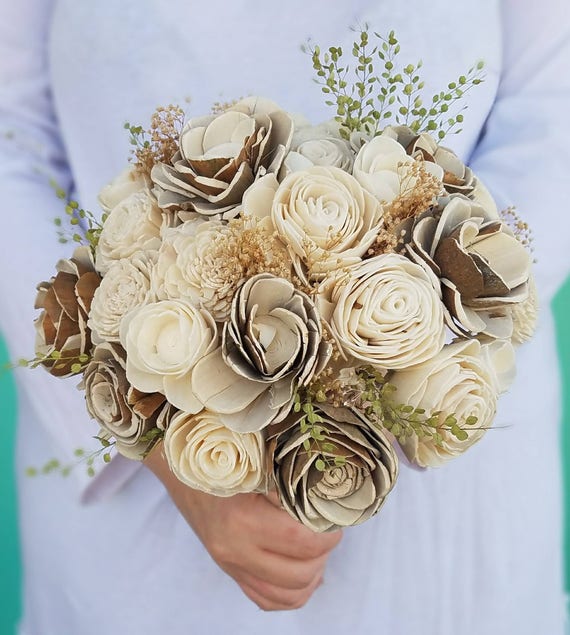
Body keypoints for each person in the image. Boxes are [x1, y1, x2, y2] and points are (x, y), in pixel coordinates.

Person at [1, 0, 568, 633]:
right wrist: (160, 438)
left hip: (440, 464)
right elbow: (9, 145)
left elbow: (554, 119)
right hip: (142, 481)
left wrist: (395, 354)